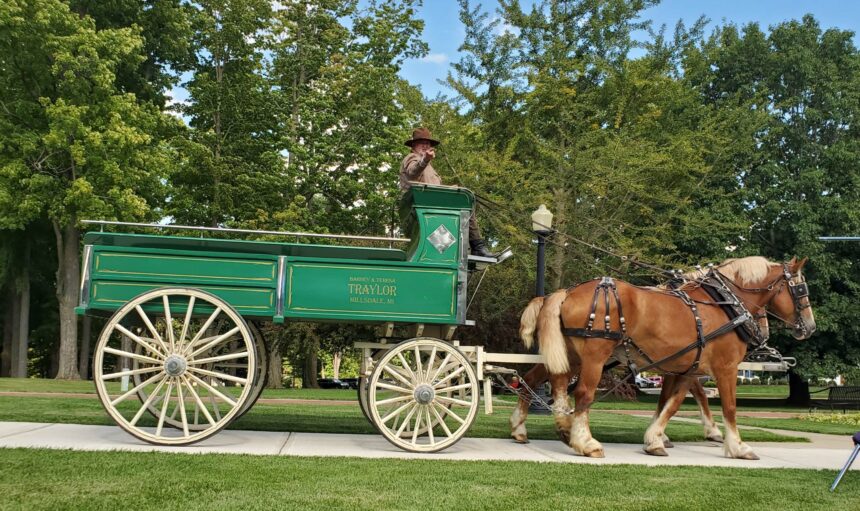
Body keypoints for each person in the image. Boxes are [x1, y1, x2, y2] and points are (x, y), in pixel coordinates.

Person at [399, 127, 494, 258]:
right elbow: (412, 172)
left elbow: (431, 187)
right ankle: (477, 247)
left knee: (465, 199)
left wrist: (450, 189)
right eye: (422, 143)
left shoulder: (428, 166)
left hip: (429, 206)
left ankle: (451, 252)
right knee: (464, 201)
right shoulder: (412, 158)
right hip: (419, 209)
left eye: (428, 144)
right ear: (414, 145)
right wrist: (425, 159)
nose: (426, 146)